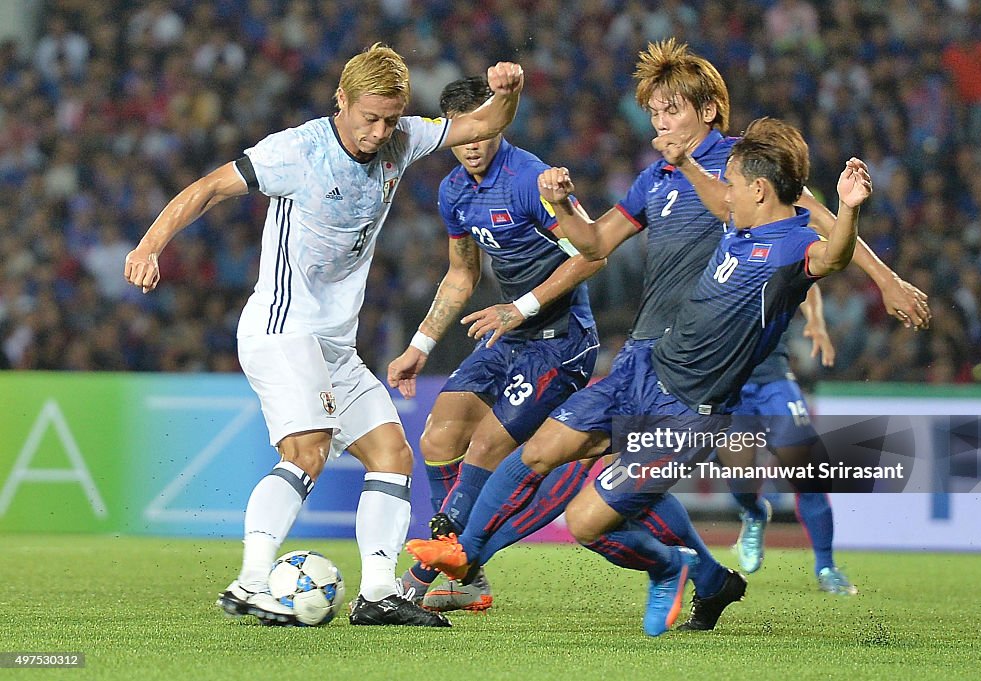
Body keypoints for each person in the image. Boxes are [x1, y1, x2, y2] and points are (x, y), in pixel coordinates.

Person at [407, 40, 926, 632]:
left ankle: (455, 566)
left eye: (670, 109)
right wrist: (561, 208)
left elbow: (823, 227)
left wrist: (887, 281)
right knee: (586, 470)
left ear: (707, 111)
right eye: (652, 112)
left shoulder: (744, 169)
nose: (659, 123)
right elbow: (595, 245)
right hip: (642, 355)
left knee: (595, 495)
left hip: (698, 375)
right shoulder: (654, 178)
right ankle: (705, 578)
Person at [123, 43, 524, 628]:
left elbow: (485, 120)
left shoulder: (404, 137)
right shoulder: (296, 151)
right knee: (307, 451)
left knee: (391, 455)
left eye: (390, 119)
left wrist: (507, 91)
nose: (380, 132)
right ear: (341, 101)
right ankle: (251, 581)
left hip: (335, 343)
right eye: (370, 119)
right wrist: (150, 246)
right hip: (281, 328)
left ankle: (380, 595)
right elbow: (208, 187)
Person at [385, 76, 603, 611]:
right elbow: (461, 273)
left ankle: (420, 578)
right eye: (462, 137)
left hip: (560, 340)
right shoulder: (454, 193)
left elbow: (592, 252)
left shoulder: (530, 179)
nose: (473, 145)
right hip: (508, 339)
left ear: (498, 124)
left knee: (484, 446)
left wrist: (519, 306)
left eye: (482, 132)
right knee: (438, 437)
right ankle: (466, 575)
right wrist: (421, 344)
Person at [726, 286, 859, 596]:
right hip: (727, 382)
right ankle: (754, 512)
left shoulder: (777, 240)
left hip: (773, 378)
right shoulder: (714, 246)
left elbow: (807, 274)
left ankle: (826, 566)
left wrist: (815, 320)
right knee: (739, 476)